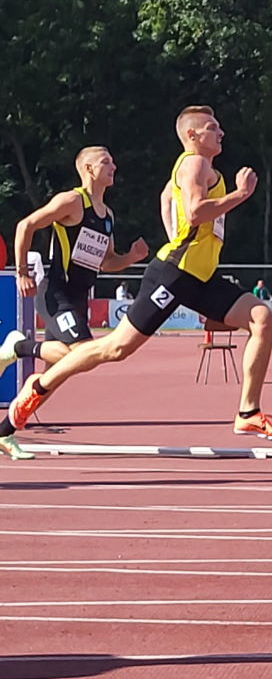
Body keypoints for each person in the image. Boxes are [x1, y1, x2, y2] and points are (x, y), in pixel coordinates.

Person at [2, 106, 272, 442]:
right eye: (213, 128)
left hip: (200, 277)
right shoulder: (194, 162)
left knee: (263, 318)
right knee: (113, 350)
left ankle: (248, 413)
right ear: (192, 136)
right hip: (174, 275)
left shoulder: (196, 170)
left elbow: (167, 195)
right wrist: (240, 195)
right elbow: (196, 212)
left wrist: (155, 243)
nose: (221, 133)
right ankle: (38, 386)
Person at [0, 146, 148, 460]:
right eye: (106, 161)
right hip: (56, 293)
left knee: (56, 375)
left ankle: (4, 432)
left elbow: (107, 262)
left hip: (78, 299)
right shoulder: (72, 201)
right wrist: (22, 272)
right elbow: (25, 225)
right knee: (80, 353)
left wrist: (131, 258)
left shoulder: (107, 215)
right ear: (88, 169)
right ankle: (20, 346)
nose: (114, 166)